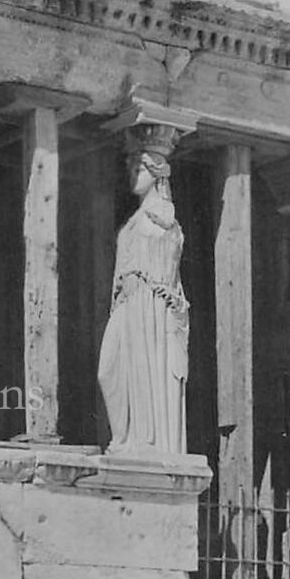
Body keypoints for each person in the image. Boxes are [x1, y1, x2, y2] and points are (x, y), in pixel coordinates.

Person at [98, 132, 189, 456]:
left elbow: (170, 264)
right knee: (108, 369)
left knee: (134, 371)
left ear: (158, 172)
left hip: (149, 305)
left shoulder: (163, 215)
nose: (132, 174)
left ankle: (144, 443)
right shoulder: (138, 218)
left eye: (140, 167)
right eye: (132, 167)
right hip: (127, 302)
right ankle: (126, 440)